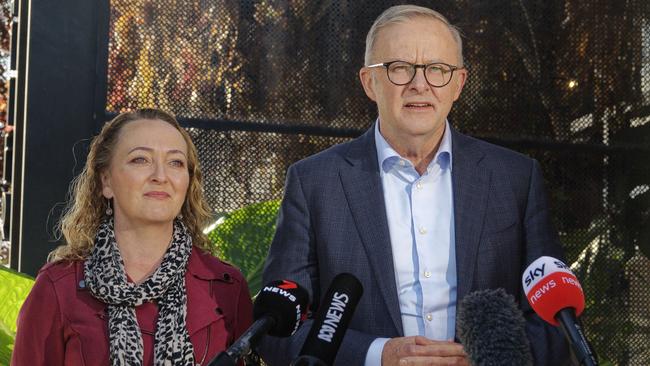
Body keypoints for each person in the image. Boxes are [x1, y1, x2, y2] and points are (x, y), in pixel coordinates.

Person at [259, 5, 569, 366]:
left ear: (458, 84)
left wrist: (483, 358)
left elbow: (558, 326)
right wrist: (380, 355)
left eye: (437, 69)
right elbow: (277, 331)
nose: (419, 84)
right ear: (369, 82)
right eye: (399, 68)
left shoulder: (515, 179)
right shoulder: (314, 183)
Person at [12, 108, 253, 365]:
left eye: (175, 162)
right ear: (106, 180)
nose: (161, 176)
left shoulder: (226, 287)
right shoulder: (58, 288)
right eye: (140, 160)